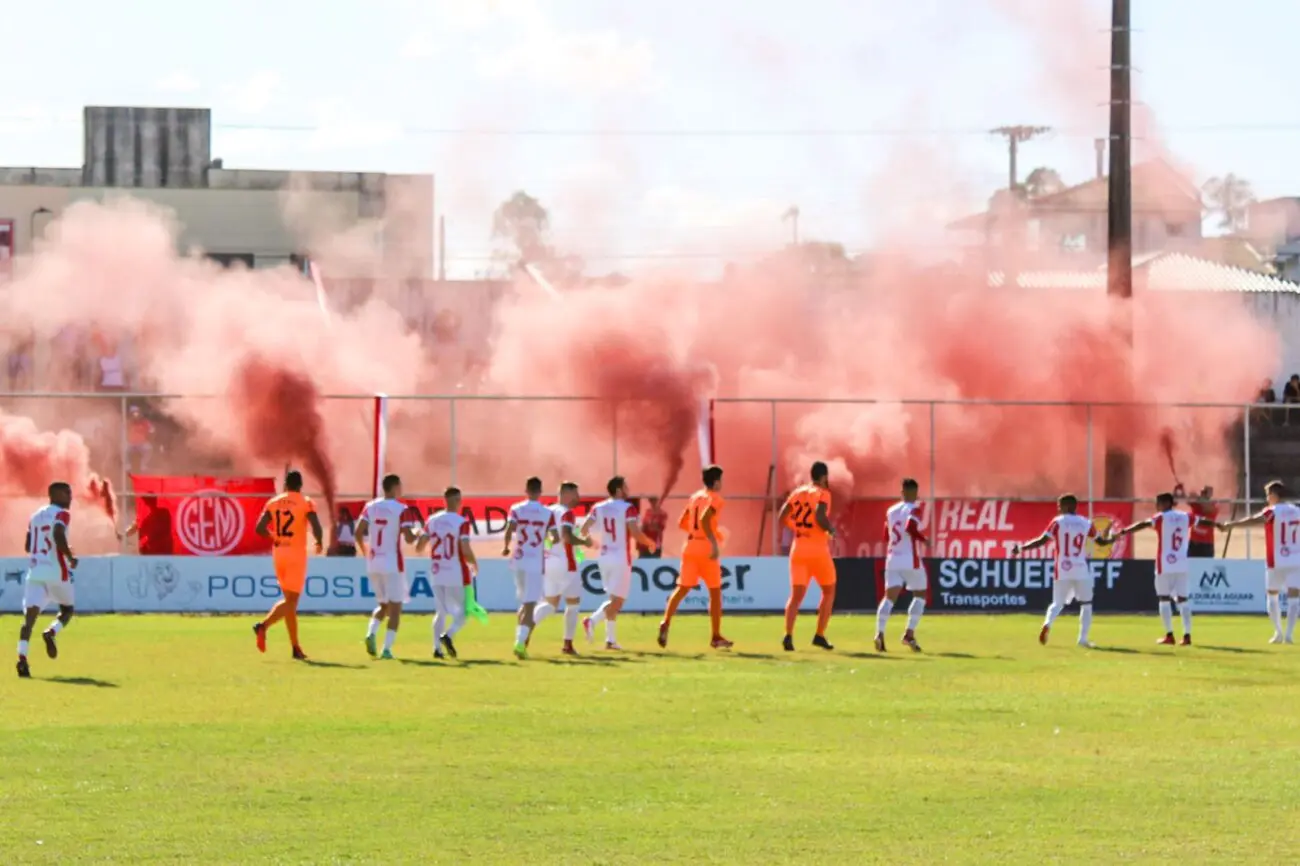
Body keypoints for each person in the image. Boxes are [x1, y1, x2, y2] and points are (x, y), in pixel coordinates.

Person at [1106, 493, 1204, 645]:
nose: (1156, 506)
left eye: (1157, 503)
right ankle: (1187, 636)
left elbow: (1143, 524)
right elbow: (1203, 521)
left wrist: (1123, 532)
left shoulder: (1160, 517)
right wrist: (1220, 526)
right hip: (1182, 564)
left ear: (1165, 503)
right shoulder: (1186, 516)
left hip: (1164, 564)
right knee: (1183, 600)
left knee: (1164, 599)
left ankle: (1169, 635)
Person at [658, 465, 733, 650]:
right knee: (715, 592)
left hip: (690, 546)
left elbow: (682, 522)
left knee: (682, 588)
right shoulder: (715, 499)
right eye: (721, 480)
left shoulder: (695, 497)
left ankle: (666, 622)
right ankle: (715, 636)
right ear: (716, 482)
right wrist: (713, 540)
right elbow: (706, 519)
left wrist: (697, 534)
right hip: (706, 549)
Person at [253, 470, 323, 660]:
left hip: (279, 553)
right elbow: (316, 525)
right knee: (291, 602)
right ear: (300, 485)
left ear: (285, 485)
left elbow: (259, 528)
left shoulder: (273, 502)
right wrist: (319, 541)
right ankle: (263, 626)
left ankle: (295, 647)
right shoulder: (305, 501)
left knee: (290, 603)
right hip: (295, 554)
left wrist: (274, 536)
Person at [1219, 480, 1300, 644]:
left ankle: (1278, 632)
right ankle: (1289, 635)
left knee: (1272, 595)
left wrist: (1233, 525)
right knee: (1294, 597)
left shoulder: (1272, 511)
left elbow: (1255, 519)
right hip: (1295, 559)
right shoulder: (1297, 511)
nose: (1267, 499)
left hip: (1275, 560)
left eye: (1268, 495)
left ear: (1274, 495)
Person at [1013, 494, 1098, 648]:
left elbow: (1042, 541)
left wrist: (1021, 548)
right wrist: (1112, 537)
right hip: (1080, 568)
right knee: (1086, 604)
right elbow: (1101, 541)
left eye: (1059, 506)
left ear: (1066, 506)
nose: (1058, 509)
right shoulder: (1086, 523)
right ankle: (1083, 639)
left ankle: (1047, 623)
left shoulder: (1057, 522)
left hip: (1063, 568)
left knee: (1057, 603)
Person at [581, 476, 654, 651]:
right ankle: (592, 620)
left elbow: (584, 528)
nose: (628, 489)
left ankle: (610, 640)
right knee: (618, 600)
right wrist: (649, 542)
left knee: (613, 599)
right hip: (620, 557)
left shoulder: (599, 507)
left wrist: (591, 542)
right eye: (626, 486)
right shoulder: (627, 508)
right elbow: (635, 533)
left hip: (604, 556)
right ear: (619, 490)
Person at [16, 482, 78, 679]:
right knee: (67, 610)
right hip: (56, 572)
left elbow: (27, 545)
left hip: (35, 572)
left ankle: (22, 659)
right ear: (57, 494)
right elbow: (58, 534)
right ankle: (51, 632)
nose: (71, 497)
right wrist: (69, 556)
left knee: (28, 620)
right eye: (68, 493)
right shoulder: (61, 514)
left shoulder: (34, 516)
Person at [356, 474, 421, 660]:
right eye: (400, 485)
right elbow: (409, 538)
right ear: (394, 487)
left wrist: (365, 551)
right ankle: (386, 649)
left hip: (374, 562)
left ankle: (371, 633)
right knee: (395, 609)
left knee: (382, 605)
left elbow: (358, 532)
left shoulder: (371, 506)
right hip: (392, 563)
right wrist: (416, 532)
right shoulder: (402, 509)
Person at [779, 462, 838, 652]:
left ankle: (788, 635)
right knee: (829, 591)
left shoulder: (798, 492)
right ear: (823, 477)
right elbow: (820, 515)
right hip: (817, 549)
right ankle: (819, 634)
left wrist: (796, 527)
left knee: (796, 596)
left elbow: (782, 516)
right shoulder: (822, 493)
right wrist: (830, 529)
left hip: (798, 548)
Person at [534, 481, 593, 656]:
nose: (578, 498)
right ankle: (567, 644)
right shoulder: (567, 513)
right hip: (566, 563)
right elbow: (566, 537)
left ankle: (524, 630)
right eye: (576, 494)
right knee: (573, 603)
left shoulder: (547, 511)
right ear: (567, 494)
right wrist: (585, 542)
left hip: (548, 562)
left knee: (550, 605)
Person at [418, 487, 477, 660]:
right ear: (458, 501)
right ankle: (449, 635)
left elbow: (420, 546)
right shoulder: (461, 522)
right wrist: (474, 562)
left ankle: (436, 648)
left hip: (437, 570)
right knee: (465, 610)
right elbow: (465, 549)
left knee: (441, 612)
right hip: (455, 572)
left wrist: (419, 538)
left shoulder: (432, 520)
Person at [502, 477, 555, 659]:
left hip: (519, 560)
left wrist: (506, 546)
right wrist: (548, 543)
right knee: (530, 605)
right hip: (535, 562)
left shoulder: (516, 509)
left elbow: (509, 529)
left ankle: (521, 643)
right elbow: (555, 536)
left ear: (526, 490)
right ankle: (519, 642)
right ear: (540, 491)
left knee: (525, 603)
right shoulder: (547, 512)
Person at [876, 478, 930, 653]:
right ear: (915, 492)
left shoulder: (891, 511)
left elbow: (886, 536)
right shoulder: (914, 508)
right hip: (910, 560)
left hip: (892, 559)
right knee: (920, 594)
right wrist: (924, 540)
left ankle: (879, 633)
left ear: (902, 492)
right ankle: (909, 634)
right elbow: (910, 527)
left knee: (889, 598)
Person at [1187, 487, 1218, 559]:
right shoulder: (1196, 505)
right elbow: (1187, 500)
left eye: (1205, 493)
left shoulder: (1214, 505)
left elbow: (1209, 509)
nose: (1203, 494)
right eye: (1203, 492)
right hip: (1193, 543)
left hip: (1206, 544)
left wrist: (1198, 498)